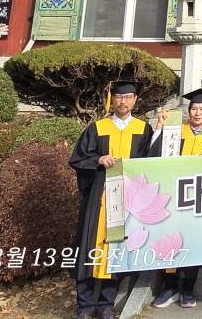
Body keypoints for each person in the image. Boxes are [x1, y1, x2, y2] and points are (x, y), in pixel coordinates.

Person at [68, 81, 158, 319]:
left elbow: (151, 161)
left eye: (128, 97)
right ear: (112, 100)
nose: (123, 101)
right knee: (88, 247)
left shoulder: (143, 129)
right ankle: (84, 306)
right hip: (99, 195)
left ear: (135, 100)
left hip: (127, 199)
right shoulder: (97, 128)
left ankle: (107, 304)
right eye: (118, 97)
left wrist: (160, 129)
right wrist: (97, 160)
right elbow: (78, 158)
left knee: (117, 248)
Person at [148, 89, 202, 309]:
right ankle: (170, 286)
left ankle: (188, 288)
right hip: (172, 195)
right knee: (168, 239)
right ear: (188, 111)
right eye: (194, 109)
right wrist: (160, 126)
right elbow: (153, 154)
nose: (197, 113)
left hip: (197, 199)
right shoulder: (174, 131)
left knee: (193, 240)